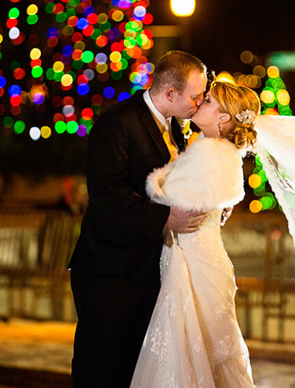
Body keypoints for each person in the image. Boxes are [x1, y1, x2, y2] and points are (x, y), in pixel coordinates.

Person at [68, 50, 209, 388]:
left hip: (147, 270)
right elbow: (105, 191)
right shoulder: (117, 122)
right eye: (196, 95)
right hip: (110, 270)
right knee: (101, 367)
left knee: (134, 368)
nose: (200, 102)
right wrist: (165, 219)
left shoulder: (175, 128)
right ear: (170, 93)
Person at [131, 80, 260, 387]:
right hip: (204, 258)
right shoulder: (221, 152)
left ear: (223, 118)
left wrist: (156, 180)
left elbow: (172, 202)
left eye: (210, 100)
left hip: (194, 263)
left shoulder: (209, 154)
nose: (200, 101)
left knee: (189, 351)